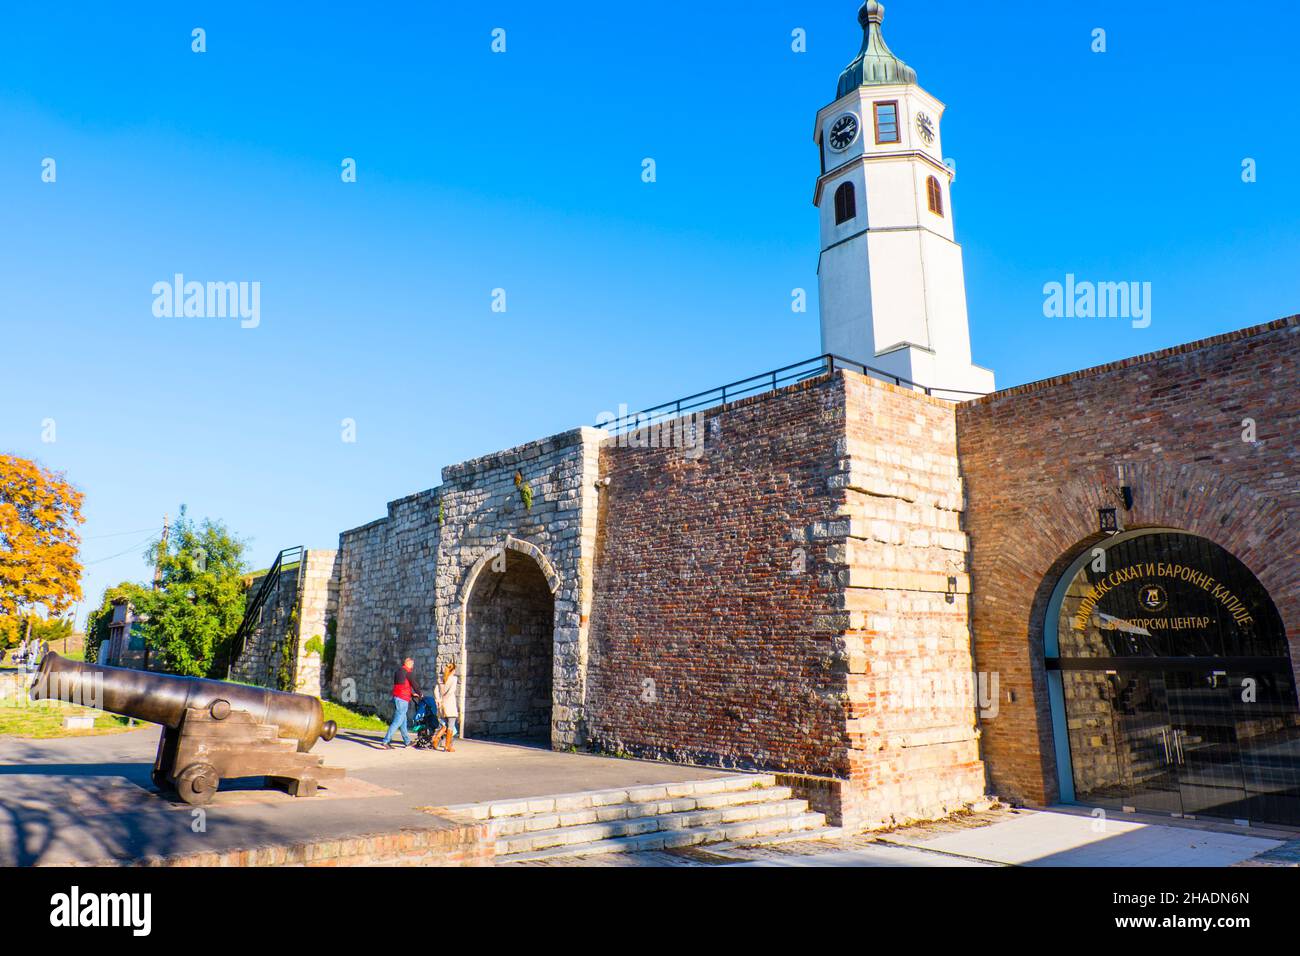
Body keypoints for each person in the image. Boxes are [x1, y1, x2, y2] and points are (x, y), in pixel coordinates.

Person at [380, 657, 422, 749]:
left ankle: (407, 742)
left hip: (397, 697)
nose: (412, 666)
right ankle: (386, 741)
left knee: (404, 721)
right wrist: (420, 694)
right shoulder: (408, 672)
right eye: (412, 664)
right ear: (409, 664)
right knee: (398, 721)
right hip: (403, 699)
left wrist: (411, 694)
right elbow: (415, 684)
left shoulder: (398, 672)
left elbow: (401, 686)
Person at [431, 661, 459, 753]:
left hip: (442, 705)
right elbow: (452, 691)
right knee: (450, 726)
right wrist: (445, 698)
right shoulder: (453, 679)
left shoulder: (441, 679)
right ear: (453, 670)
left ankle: (436, 738)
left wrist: (439, 700)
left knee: (445, 725)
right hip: (450, 704)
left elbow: (435, 690)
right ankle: (447, 746)